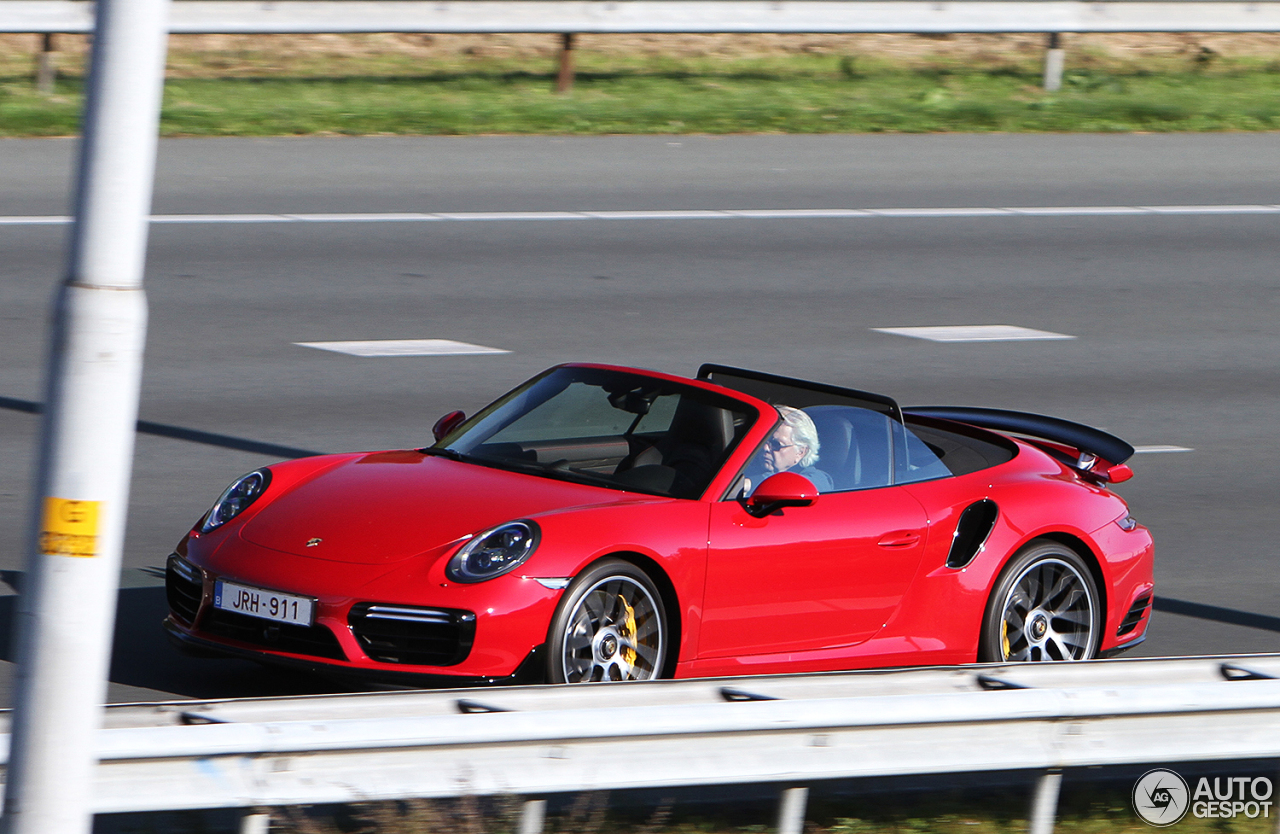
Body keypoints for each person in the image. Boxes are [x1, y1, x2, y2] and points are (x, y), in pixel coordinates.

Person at [752, 405, 834, 493]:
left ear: (800, 452)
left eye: (776, 444)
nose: (765, 448)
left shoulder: (817, 480)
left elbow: (799, 487)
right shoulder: (745, 466)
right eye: (762, 441)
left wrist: (752, 484)